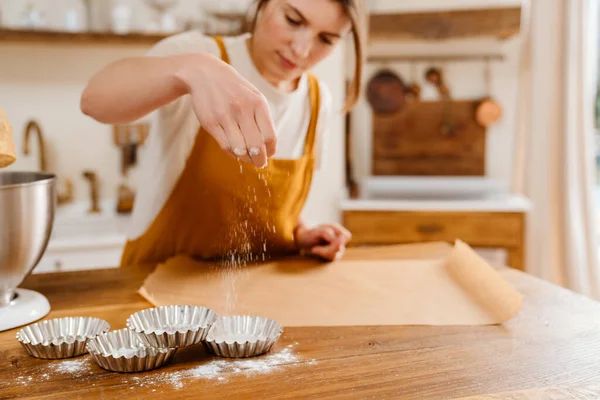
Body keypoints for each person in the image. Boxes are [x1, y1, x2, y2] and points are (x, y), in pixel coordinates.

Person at [80, 0, 367, 266]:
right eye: (293, 20)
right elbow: (94, 100)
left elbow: (267, 209)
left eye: (326, 39)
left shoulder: (317, 101)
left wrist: (301, 234)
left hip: (255, 299)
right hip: (160, 298)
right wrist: (190, 69)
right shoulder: (200, 55)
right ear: (264, 4)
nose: (302, 49)